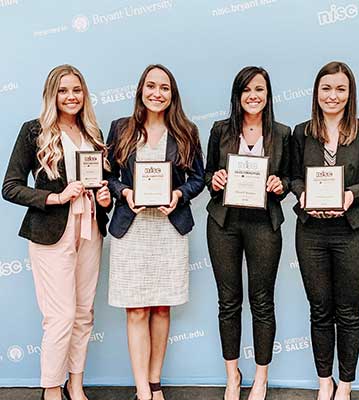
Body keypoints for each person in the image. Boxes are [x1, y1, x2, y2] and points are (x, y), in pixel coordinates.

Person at [2, 64, 111, 400]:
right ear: (52, 95)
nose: (71, 97)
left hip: (90, 230)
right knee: (60, 315)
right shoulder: (34, 131)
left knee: (83, 313)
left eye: (76, 90)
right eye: (63, 91)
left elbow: (99, 186)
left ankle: (75, 385)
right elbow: (10, 186)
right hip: (51, 232)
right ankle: (51, 388)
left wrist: (104, 199)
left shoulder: (93, 133)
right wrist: (55, 196)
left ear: (84, 94)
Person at [106, 64, 204, 400]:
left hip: (168, 230)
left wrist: (178, 195)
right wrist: (125, 193)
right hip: (131, 230)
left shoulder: (187, 132)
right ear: (141, 90)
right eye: (151, 86)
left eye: (164, 87)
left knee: (162, 307)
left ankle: (156, 383)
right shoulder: (121, 129)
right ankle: (142, 391)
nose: (156, 93)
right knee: (136, 309)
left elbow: (198, 179)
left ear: (172, 94)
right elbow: (108, 177)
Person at [290, 61, 359, 400]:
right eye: (326, 88)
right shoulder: (301, 132)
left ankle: (345, 384)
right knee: (319, 309)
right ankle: (324, 382)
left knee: (348, 310)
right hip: (312, 232)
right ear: (316, 92)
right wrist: (302, 193)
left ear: (350, 93)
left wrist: (351, 195)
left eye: (340, 89)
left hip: (353, 231)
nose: (333, 96)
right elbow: (292, 176)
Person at [205, 66, 291, 400]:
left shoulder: (282, 133)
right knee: (228, 302)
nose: (253, 96)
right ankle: (232, 375)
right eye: (246, 90)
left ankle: (260, 377)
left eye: (260, 89)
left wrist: (280, 184)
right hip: (224, 223)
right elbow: (208, 172)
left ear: (268, 95)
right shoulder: (220, 130)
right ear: (237, 95)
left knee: (262, 302)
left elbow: (291, 179)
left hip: (264, 224)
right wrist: (215, 180)